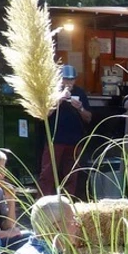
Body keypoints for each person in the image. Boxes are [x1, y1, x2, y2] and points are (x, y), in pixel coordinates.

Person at [39, 64, 92, 197]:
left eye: (71, 79)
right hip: (55, 138)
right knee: (48, 172)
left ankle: (67, 201)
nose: (68, 82)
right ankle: (44, 200)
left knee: (72, 174)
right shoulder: (52, 92)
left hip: (75, 139)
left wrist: (80, 108)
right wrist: (59, 99)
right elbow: (45, 114)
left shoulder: (80, 93)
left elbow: (88, 118)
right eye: (65, 79)